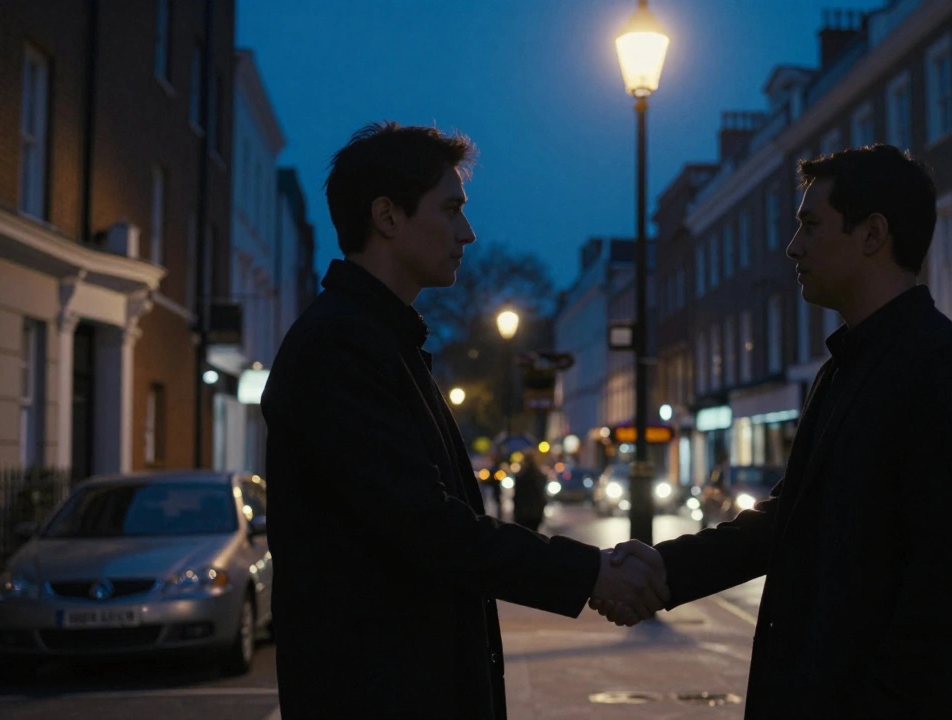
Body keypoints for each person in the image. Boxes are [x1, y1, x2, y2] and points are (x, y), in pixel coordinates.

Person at [260, 122, 669, 720]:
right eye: (450, 210)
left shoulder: (379, 340)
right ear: (387, 216)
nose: (467, 233)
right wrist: (591, 573)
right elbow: (427, 525)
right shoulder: (341, 348)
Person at [600, 145, 952, 718]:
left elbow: (951, 575)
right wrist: (667, 570)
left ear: (872, 234)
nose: (794, 246)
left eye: (812, 226)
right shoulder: (843, 366)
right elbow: (790, 519)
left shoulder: (940, 365)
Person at [512, 450, 549, 531]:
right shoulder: (539, 475)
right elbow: (541, 494)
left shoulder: (521, 476)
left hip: (523, 513)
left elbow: (517, 496)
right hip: (535, 513)